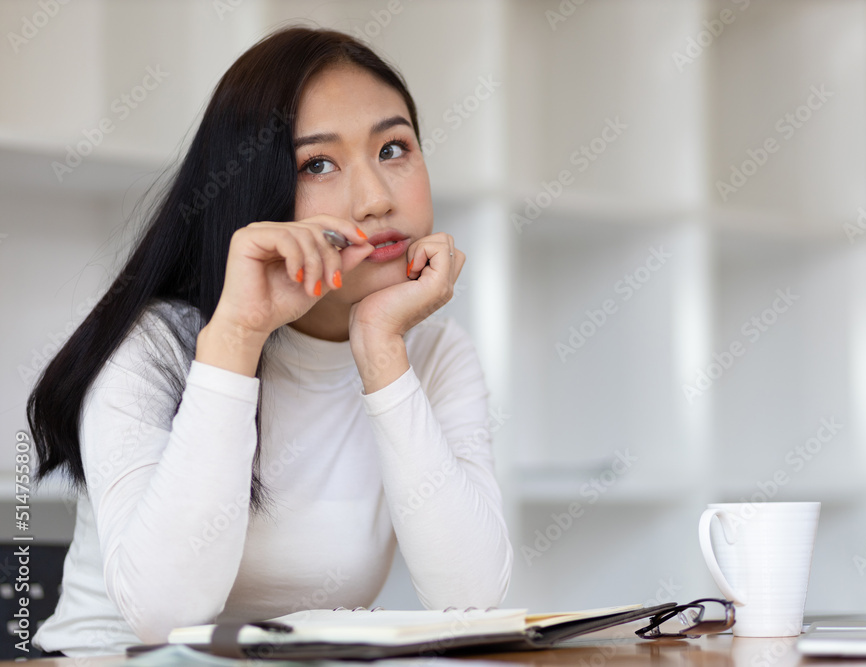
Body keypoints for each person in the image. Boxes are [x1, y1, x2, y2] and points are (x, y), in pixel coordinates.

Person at [26, 26, 512, 656]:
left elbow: (469, 601)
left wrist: (381, 349)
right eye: (318, 163)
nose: (375, 199)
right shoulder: (154, 346)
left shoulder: (435, 353)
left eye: (394, 149)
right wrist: (238, 335)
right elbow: (165, 619)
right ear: (258, 192)